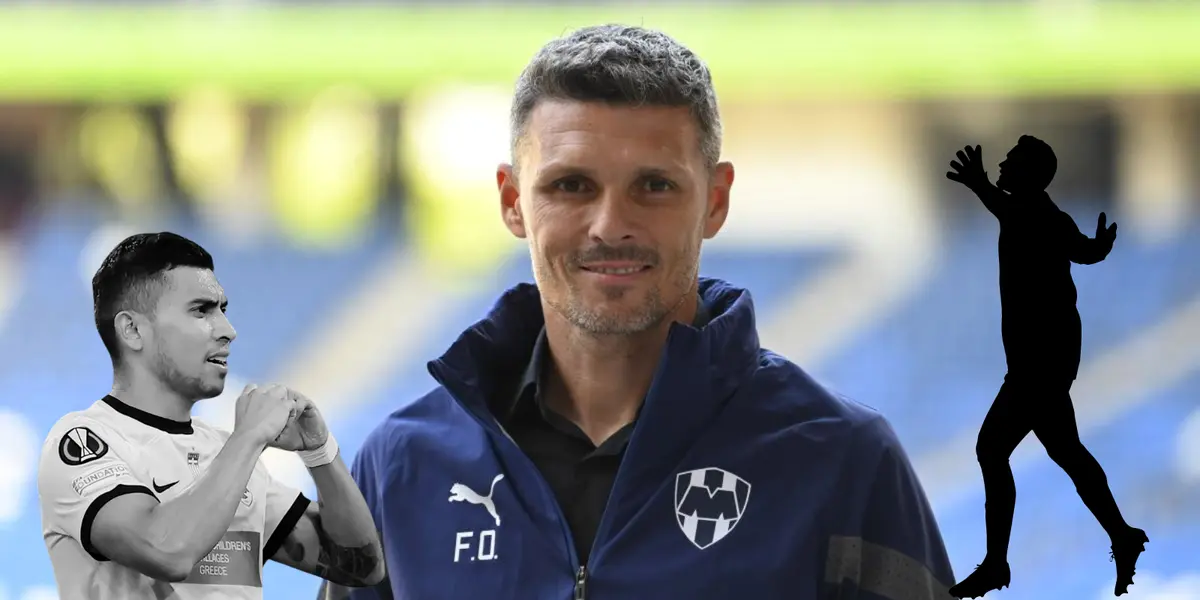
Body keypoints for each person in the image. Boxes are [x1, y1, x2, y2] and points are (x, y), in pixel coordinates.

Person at [322, 24, 954, 600]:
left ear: (715, 199)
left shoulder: (841, 461)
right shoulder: (400, 467)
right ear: (514, 201)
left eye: (654, 186)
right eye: (571, 185)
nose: (611, 225)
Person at [37, 232, 386, 599]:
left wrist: (319, 451)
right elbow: (166, 551)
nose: (228, 331)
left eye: (223, 310)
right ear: (133, 330)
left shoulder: (227, 454)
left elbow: (360, 566)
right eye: (201, 310)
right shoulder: (85, 440)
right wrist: (248, 438)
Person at [945, 139, 1148, 598]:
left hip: (1040, 362)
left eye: (1011, 161)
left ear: (1030, 174)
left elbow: (1008, 209)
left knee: (993, 449)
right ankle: (1121, 534)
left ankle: (997, 564)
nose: (1002, 164)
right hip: (1044, 358)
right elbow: (1084, 252)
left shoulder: (1032, 214)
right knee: (1065, 452)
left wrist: (977, 182)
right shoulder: (1047, 217)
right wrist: (1100, 245)